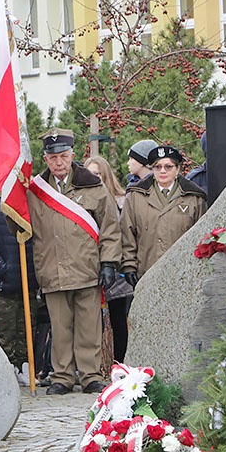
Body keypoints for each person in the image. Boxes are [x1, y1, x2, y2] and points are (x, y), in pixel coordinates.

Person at [25, 129, 121, 395]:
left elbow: (110, 227)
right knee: (60, 327)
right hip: (52, 267)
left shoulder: (93, 186)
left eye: (63, 156)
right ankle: (62, 377)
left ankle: (90, 375)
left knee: (89, 326)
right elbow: (21, 227)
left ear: (72, 156)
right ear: (46, 159)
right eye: (53, 157)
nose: (58, 162)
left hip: (87, 267)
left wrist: (109, 262)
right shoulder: (35, 191)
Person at [121, 144, 207, 288]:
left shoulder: (194, 198)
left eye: (168, 167)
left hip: (182, 273)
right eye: (157, 167)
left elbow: (201, 236)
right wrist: (129, 265)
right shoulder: (135, 196)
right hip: (146, 271)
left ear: (177, 169)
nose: (162, 171)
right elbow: (127, 233)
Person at [0, 188, 38, 385]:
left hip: (27, 276)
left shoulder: (25, 197)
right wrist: (1, 268)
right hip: (4, 282)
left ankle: (26, 367)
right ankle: (8, 370)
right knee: (6, 330)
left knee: (27, 326)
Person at [84, 155, 133, 364]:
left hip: (118, 269)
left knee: (118, 320)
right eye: (90, 174)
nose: (95, 178)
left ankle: (120, 363)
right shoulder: (82, 200)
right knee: (92, 321)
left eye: (98, 173)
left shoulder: (122, 200)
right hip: (90, 266)